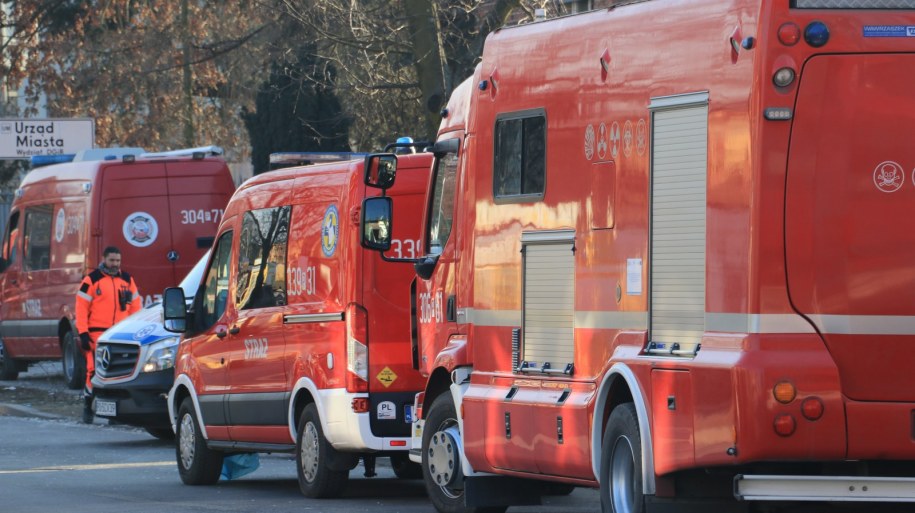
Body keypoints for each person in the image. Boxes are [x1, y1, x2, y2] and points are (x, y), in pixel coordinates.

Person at [75, 246, 141, 423]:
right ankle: (88, 406)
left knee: (119, 372)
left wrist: (136, 331)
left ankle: (113, 411)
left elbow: (136, 308)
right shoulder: (91, 280)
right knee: (93, 371)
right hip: (97, 333)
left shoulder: (127, 280)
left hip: (121, 334)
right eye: (112, 260)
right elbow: (81, 309)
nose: (115, 264)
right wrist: (83, 333)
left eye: (118, 261)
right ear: (104, 259)